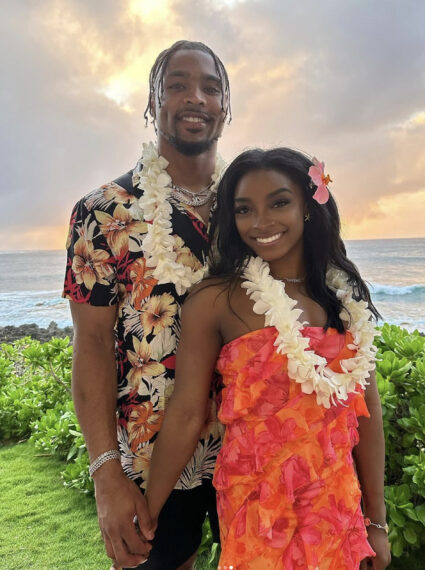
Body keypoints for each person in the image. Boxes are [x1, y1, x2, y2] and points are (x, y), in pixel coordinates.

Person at [145, 148, 392, 569]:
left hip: (336, 505)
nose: (261, 222)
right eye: (244, 209)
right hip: (256, 508)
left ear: (309, 207)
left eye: (279, 202)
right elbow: (187, 413)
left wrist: (376, 523)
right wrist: (148, 515)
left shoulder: (343, 296)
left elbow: (366, 412)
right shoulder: (215, 300)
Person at [63, 40, 231, 570]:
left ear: (226, 103)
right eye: (177, 85)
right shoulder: (103, 211)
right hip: (148, 459)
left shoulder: (255, 212)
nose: (194, 98)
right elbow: (90, 344)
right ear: (152, 102)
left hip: (251, 450)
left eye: (209, 86)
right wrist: (105, 473)